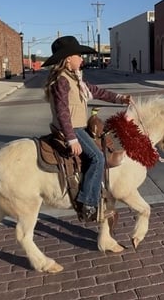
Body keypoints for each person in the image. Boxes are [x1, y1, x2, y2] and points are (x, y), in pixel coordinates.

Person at [43, 36, 132, 222]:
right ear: (68, 59)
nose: (82, 59)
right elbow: (62, 111)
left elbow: (97, 91)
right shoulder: (62, 81)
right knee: (98, 158)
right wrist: (71, 138)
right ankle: (87, 204)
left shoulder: (76, 79)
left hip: (77, 126)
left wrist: (119, 98)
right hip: (71, 129)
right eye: (79, 55)